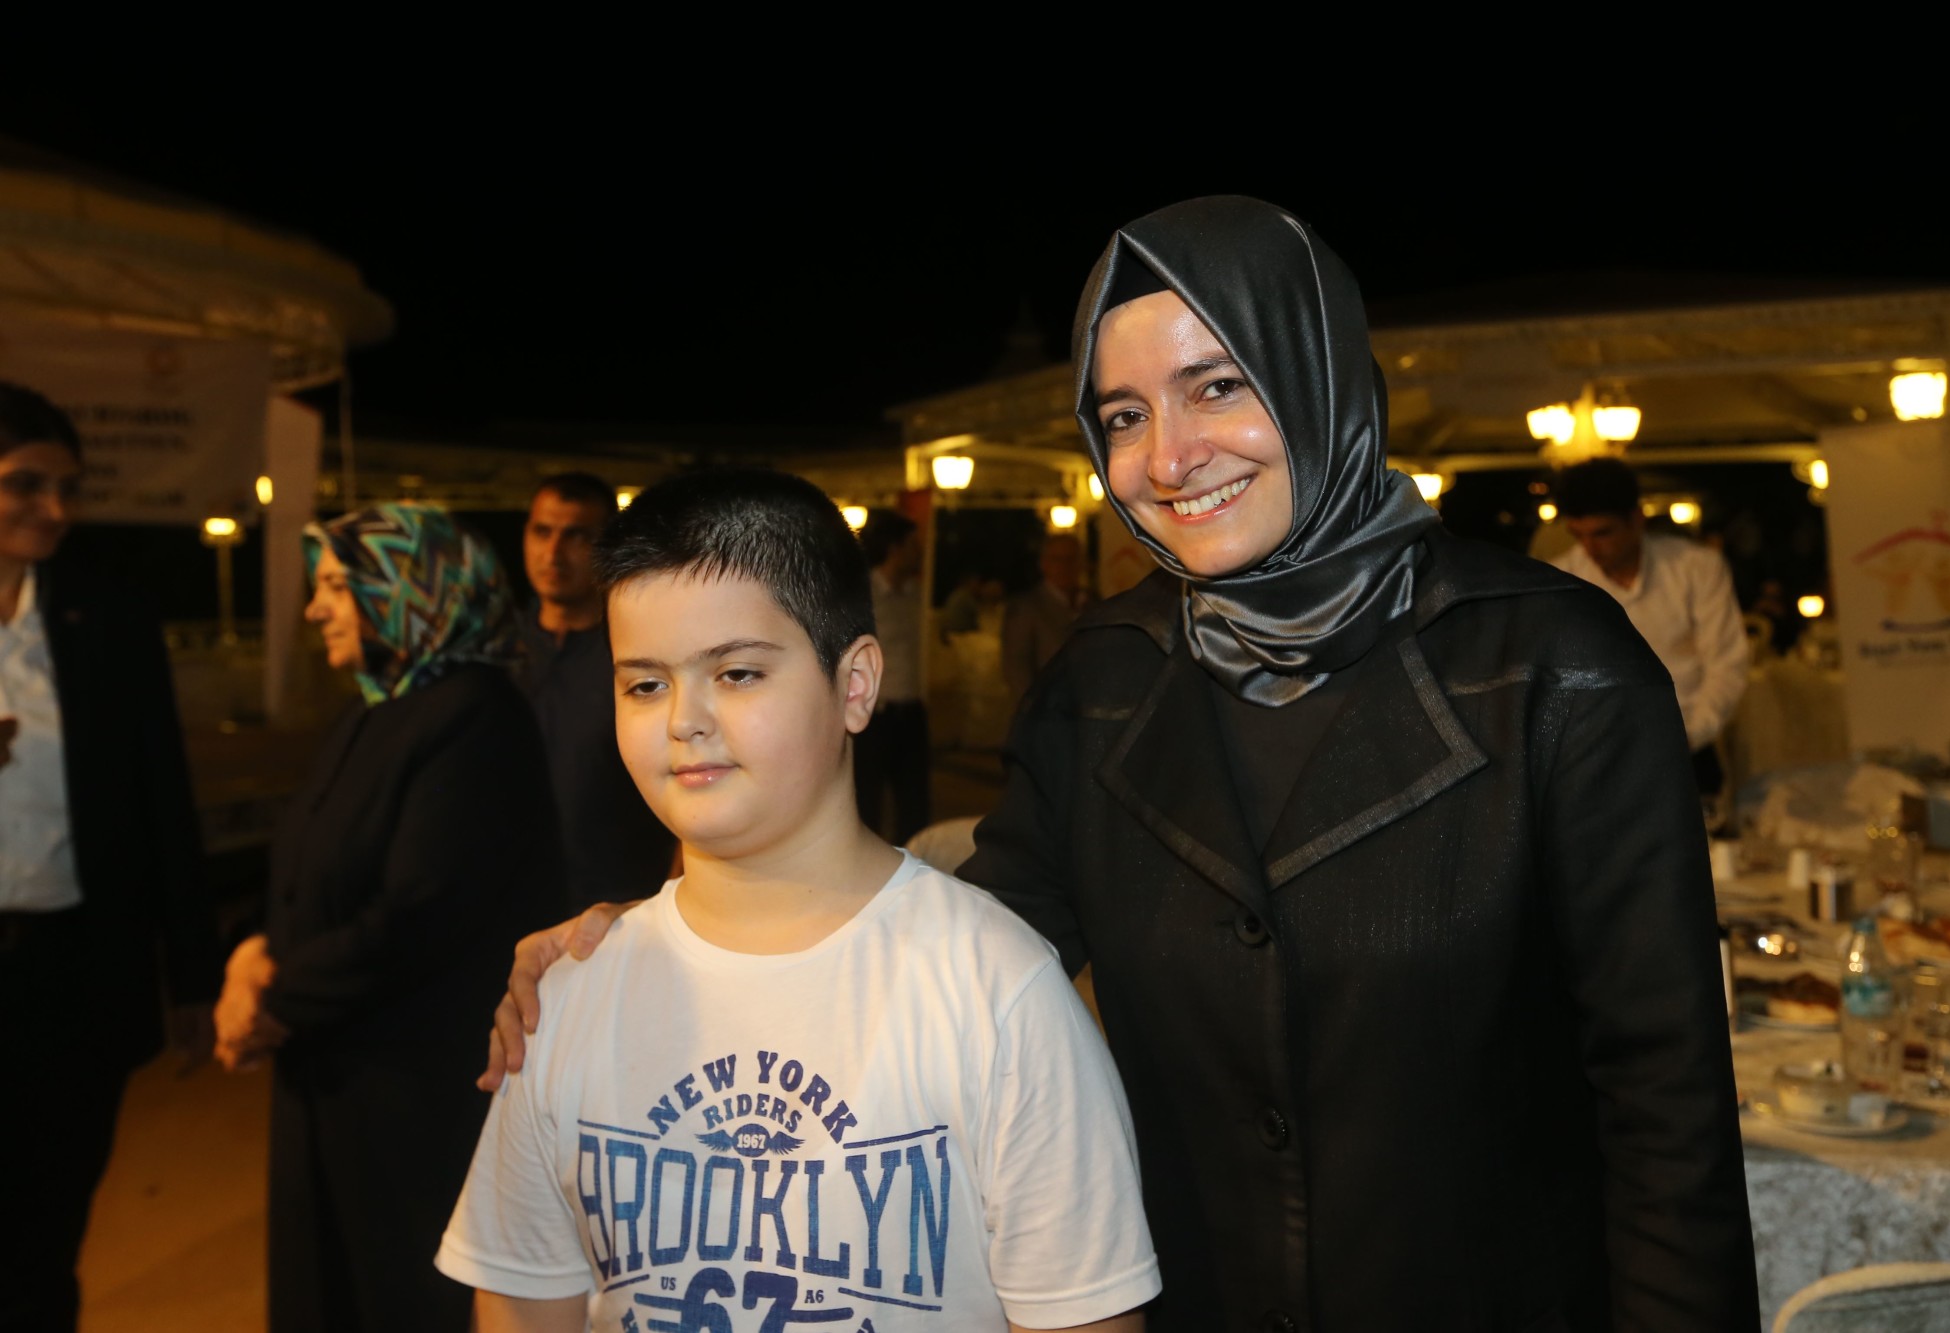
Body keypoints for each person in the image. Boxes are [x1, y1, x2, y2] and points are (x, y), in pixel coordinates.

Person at [487, 198, 1758, 1329]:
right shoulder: (1100, 685)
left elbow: (1665, 1113)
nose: (1167, 457)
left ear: (1316, 370)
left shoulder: (1555, 669)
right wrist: (670, 942)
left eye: (1216, 385)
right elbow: (950, 948)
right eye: (1123, 416)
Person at [438, 469, 1158, 1332]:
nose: (684, 719)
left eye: (738, 672)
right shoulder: (569, 994)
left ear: (855, 685)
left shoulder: (998, 993)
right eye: (644, 684)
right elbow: (522, 1299)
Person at [213, 502, 564, 1332]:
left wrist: (274, 999)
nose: (315, 609)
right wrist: (249, 951)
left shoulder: (475, 715)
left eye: (337, 585)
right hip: (338, 1068)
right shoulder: (378, 706)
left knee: (394, 1294)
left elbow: (423, 910)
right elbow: (311, 870)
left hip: (410, 1093)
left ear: (411, 587)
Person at [0, 382, 218, 1333]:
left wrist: (192, 974)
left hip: (69, 975)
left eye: (69, 487)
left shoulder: (108, 617)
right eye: (26, 483)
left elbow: (162, 798)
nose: (55, 508)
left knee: (46, 1232)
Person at [521, 472, 679, 910]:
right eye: (542, 532)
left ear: (606, 545)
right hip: (508, 902)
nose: (553, 553)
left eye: (576, 536)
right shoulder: (497, 650)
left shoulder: (643, 654)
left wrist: (670, 899)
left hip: (621, 901)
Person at [1550, 457, 1751, 793]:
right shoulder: (1562, 580)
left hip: (1688, 747)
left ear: (1636, 519)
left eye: (1602, 533)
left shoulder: (1696, 567)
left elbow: (1726, 664)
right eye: (1578, 535)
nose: (1590, 548)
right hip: (1597, 756)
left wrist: (1688, 735)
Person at [854, 507, 930, 842]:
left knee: (915, 806)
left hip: (911, 712)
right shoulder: (862, 594)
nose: (920, 552)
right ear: (895, 548)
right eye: (913, 545)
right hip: (874, 715)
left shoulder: (918, 596)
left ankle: (912, 866)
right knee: (866, 803)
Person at [1001, 532, 1087, 703]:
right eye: (1057, 559)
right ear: (1044, 564)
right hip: (1050, 709)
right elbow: (1017, 668)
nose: (1064, 566)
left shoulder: (1092, 603)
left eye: (1071, 559)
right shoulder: (1026, 608)